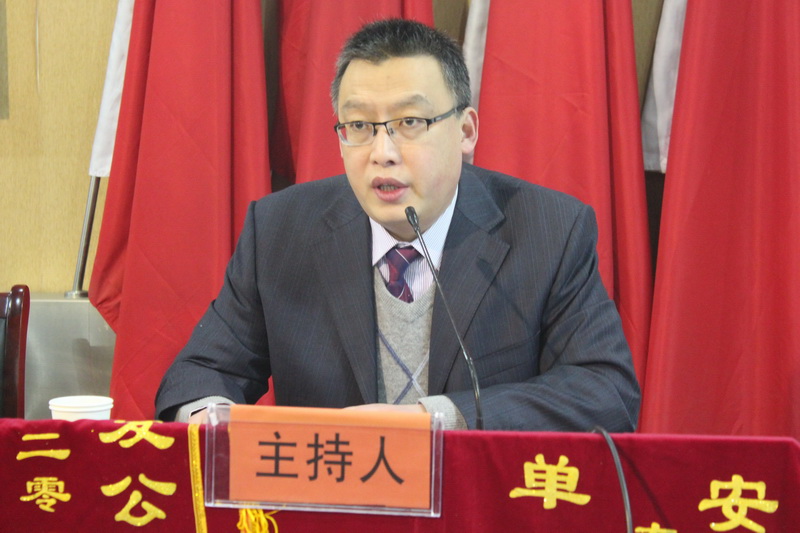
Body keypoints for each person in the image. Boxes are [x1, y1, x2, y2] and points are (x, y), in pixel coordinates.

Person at [155, 18, 640, 431]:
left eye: (410, 122)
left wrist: (439, 420)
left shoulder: (547, 230)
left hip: (477, 500)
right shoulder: (282, 230)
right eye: (359, 126)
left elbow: (605, 391)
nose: (382, 153)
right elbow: (198, 375)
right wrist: (212, 421)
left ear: (466, 131)